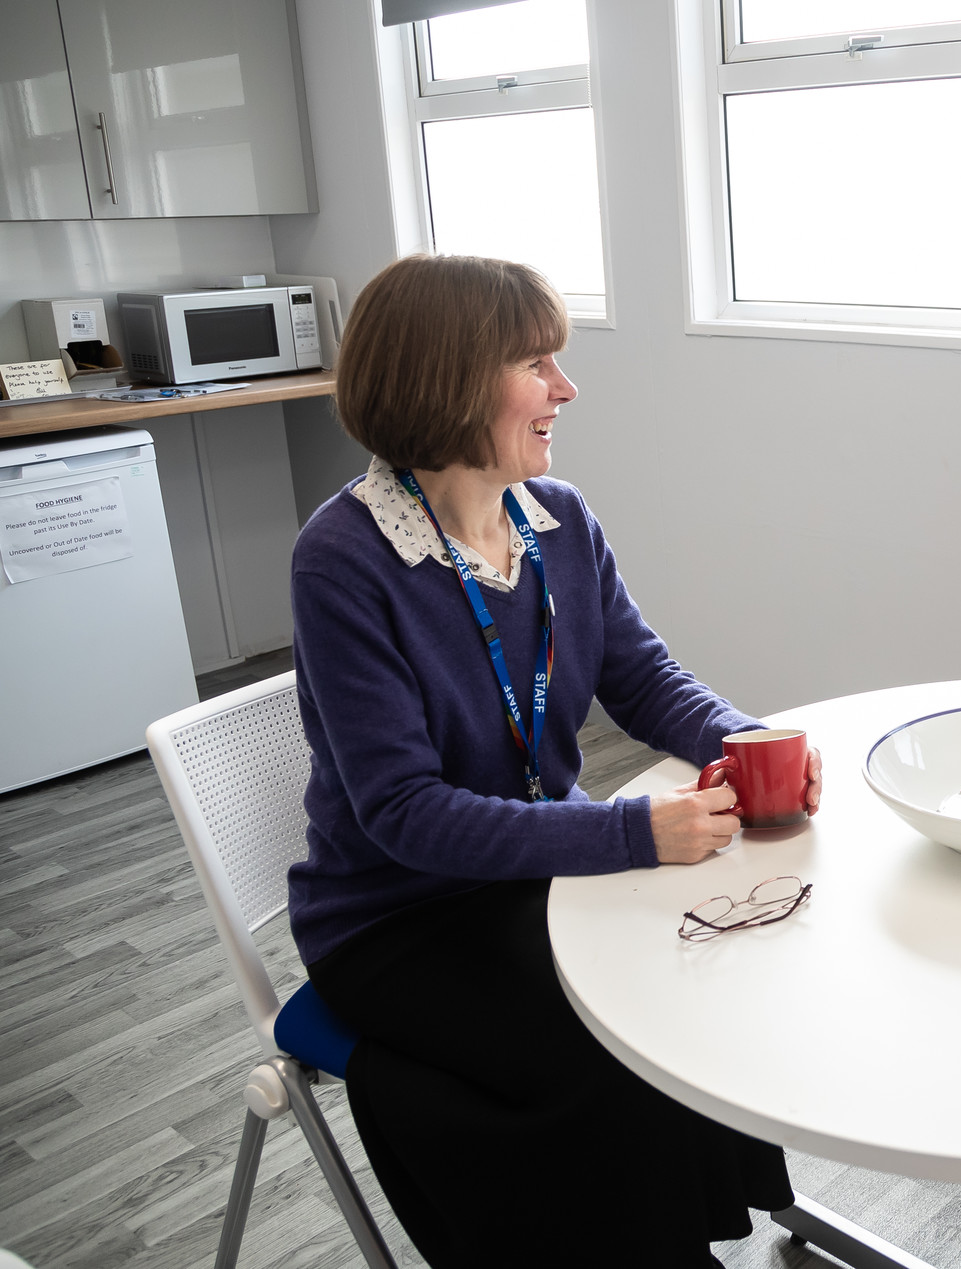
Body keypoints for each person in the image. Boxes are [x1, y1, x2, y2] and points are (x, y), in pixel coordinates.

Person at [287, 254, 818, 1267]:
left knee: (697, 986)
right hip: (396, 917)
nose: (565, 389)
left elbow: (645, 679)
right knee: (605, 1048)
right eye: (537, 363)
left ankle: (681, 1233)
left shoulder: (559, 520)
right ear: (450, 379)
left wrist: (749, 747)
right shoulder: (344, 559)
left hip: (534, 872)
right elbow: (403, 812)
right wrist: (627, 832)